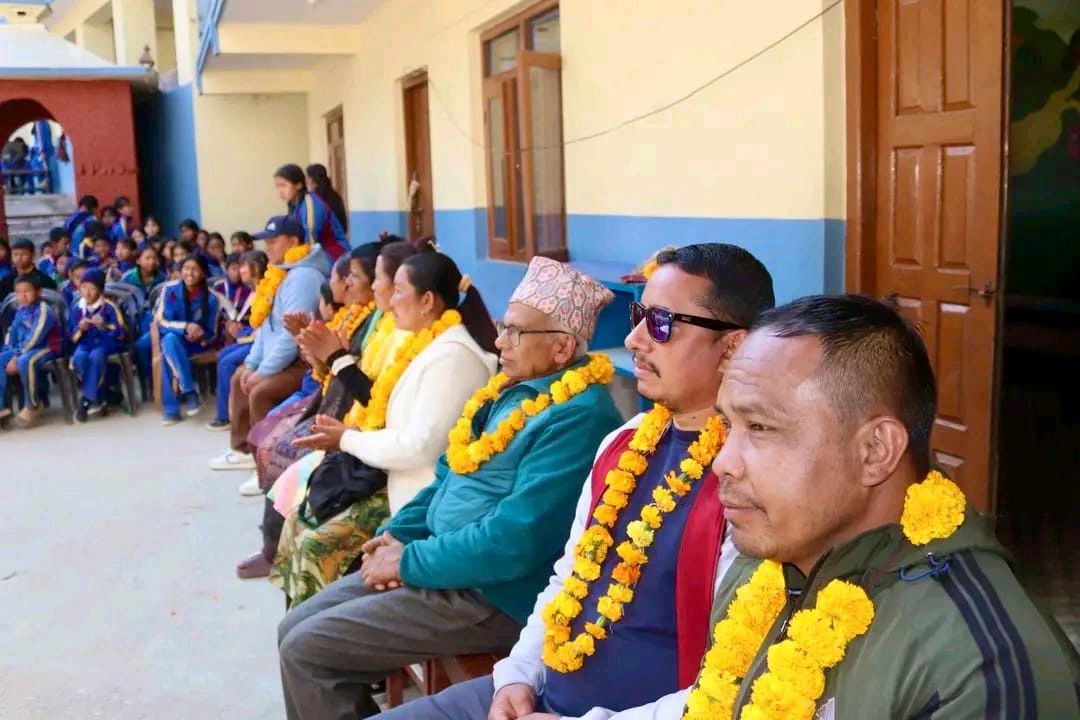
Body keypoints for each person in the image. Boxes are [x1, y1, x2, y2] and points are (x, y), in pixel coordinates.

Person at [371, 244, 777, 720]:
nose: (634, 339)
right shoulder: (624, 444)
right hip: (540, 688)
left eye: (662, 323)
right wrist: (518, 676)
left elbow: (734, 679)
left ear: (731, 347)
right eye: (639, 316)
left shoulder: (750, 483)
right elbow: (568, 577)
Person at [670, 294, 1080, 719]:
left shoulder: (982, 673)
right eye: (727, 424)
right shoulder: (764, 564)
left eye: (759, 426)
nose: (723, 462)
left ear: (875, 450)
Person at [276, 258, 626, 718]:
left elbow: (512, 543)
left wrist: (409, 560)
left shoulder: (578, 417)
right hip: (442, 561)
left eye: (515, 332)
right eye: (503, 326)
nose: (499, 341)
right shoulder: (509, 390)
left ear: (561, 348)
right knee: (292, 629)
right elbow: (446, 477)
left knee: (307, 652)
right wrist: (396, 534)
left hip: (491, 594)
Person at [269, 247, 500, 610]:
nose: (390, 300)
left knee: (315, 545)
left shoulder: (453, 358)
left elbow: (419, 447)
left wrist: (347, 438)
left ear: (427, 301)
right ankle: (301, 625)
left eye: (398, 290)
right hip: (393, 479)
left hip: (421, 501)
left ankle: (316, 630)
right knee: (297, 520)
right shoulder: (428, 344)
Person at [235, 240, 398, 577]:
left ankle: (276, 548)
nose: (349, 283)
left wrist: (332, 356)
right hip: (336, 405)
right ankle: (275, 542)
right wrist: (310, 345)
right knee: (272, 441)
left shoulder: (389, 327)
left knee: (285, 453)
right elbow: (331, 371)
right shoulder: (365, 318)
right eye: (347, 277)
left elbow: (370, 389)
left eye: (357, 277)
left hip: (357, 424)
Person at [208, 216, 327, 472]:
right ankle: (243, 450)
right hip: (281, 359)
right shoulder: (281, 272)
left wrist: (264, 372)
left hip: (302, 361)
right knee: (240, 376)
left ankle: (268, 464)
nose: (268, 247)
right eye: (267, 242)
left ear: (293, 242)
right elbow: (266, 327)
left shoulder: (304, 276)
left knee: (261, 391)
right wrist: (253, 364)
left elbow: (290, 335)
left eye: (273, 241)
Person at [153, 255, 226, 425]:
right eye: (186, 268)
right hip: (174, 338)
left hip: (197, 344)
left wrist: (200, 333)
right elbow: (161, 321)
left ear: (203, 273)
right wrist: (185, 326)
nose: (189, 273)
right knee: (170, 342)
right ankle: (190, 391)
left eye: (195, 269)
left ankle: (171, 411)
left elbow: (212, 332)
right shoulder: (169, 290)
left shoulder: (212, 298)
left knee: (168, 351)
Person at [207, 250, 267, 431]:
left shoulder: (266, 290)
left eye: (243, 266)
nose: (240, 271)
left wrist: (242, 333)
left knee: (227, 362)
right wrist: (239, 330)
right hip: (253, 337)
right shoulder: (254, 290)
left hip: (262, 343)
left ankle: (224, 416)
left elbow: (263, 328)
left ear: (255, 268)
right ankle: (227, 404)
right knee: (222, 355)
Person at [0, 273, 62, 427]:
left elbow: (35, 338)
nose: (22, 296)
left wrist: (16, 356)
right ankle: (2, 407)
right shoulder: (21, 310)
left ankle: (32, 404)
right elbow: (12, 332)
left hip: (47, 348)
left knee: (25, 361)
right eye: (18, 292)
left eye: (27, 291)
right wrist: (9, 352)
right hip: (23, 349)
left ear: (38, 292)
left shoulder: (44, 311)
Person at [69, 268, 125, 423]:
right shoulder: (77, 308)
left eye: (92, 288)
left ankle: (85, 401)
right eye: (84, 288)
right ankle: (101, 395)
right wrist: (80, 329)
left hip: (104, 342)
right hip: (85, 343)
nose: (87, 292)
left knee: (96, 357)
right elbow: (71, 335)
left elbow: (121, 332)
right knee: (79, 358)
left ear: (100, 289)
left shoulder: (109, 307)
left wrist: (103, 325)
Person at [276, 164, 351, 262]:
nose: (280, 191)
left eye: (283, 185)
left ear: (299, 185)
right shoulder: (295, 204)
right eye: (277, 186)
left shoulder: (310, 204)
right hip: (318, 253)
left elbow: (310, 243)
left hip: (335, 255)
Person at [306, 163, 349, 233]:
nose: (306, 180)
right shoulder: (335, 195)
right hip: (339, 236)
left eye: (308, 177)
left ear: (312, 179)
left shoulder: (314, 198)